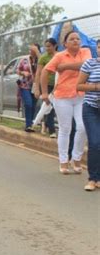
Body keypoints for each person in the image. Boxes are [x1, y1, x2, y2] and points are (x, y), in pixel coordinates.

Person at [41, 31, 92, 174]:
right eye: (72, 39)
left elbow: (85, 65)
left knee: (82, 128)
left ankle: (76, 159)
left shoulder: (86, 51)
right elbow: (45, 71)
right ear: (65, 44)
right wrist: (44, 92)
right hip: (63, 96)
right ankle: (63, 161)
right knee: (65, 129)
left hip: (81, 95)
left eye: (77, 39)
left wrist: (65, 67)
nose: (76, 41)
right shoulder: (59, 56)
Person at [77, 39, 100, 191]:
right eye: (99, 46)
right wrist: (96, 87)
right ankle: (92, 179)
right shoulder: (89, 64)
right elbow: (79, 85)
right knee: (95, 142)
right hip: (91, 108)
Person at [33, 38, 58, 138]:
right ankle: (52, 130)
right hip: (46, 85)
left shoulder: (59, 56)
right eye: (46, 46)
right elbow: (38, 73)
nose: (47, 48)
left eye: (49, 46)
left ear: (55, 46)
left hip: (57, 85)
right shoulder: (43, 58)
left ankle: (43, 125)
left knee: (53, 107)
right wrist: (37, 88)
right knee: (49, 106)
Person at [17, 43, 40, 132]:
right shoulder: (25, 60)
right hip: (25, 85)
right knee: (28, 103)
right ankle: (28, 124)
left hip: (36, 86)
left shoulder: (40, 60)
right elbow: (18, 70)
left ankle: (31, 124)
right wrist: (23, 73)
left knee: (33, 105)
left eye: (33, 49)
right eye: (30, 49)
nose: (31, 51)